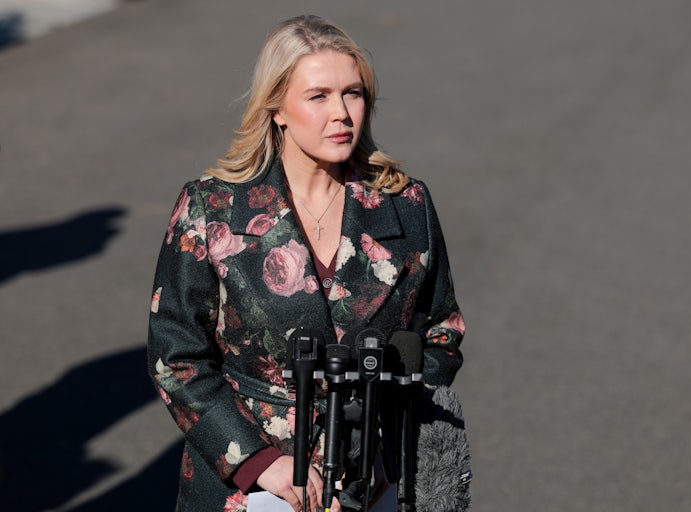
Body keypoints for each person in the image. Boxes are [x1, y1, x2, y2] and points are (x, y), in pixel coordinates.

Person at [147, 14, 465, 512]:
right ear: (277, 107)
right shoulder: (212, 209)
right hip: (248, 489)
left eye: (352, 93)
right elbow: (176, 356)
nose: (341, 113)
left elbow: (440, 332)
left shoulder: (406, 205)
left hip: (373, 485)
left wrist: (386, 441)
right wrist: (260, 462)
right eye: (318, 96)